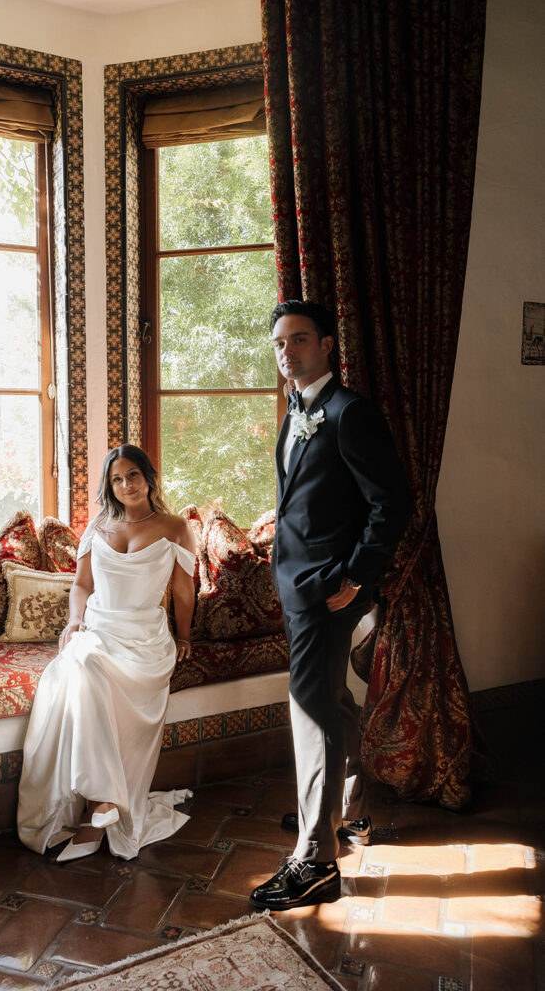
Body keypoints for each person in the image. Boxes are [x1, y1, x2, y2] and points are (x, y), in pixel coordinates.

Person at [250, 300, 411, 910]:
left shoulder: (349, 412)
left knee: (310, 711)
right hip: (297, 583)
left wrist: (353, 575)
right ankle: (352, 813)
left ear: (326, 345)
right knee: (333, 698)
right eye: (278, 344)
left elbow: (391, 503)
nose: (286, 352)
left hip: (328, 588)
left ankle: (314, 862)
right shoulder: (295, 410)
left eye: (298, 340)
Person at [17, 444, 196, 862]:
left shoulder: (175, 528)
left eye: (133, 475)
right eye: (117, 479)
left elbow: (185, 590)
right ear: (109, 486)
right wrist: (74, 621)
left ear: (149, 477)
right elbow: (81, 585)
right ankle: (102, 803)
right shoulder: (98, 526)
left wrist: (185, 637)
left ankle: (99, 811)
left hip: (145, 640)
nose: (126, 485)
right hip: (98, 629)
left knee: (85, 666)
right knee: (84, 660)